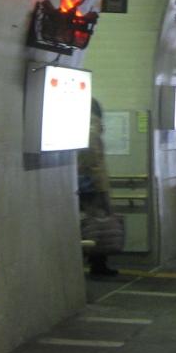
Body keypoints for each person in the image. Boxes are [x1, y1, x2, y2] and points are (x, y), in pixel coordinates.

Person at [78, 99, 117, 277]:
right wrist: (100, 188)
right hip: (94, 187)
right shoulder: (91, 128)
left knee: (92, 224)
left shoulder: (85, 126)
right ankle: (98, 263)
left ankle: (96, 262)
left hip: (88, 184)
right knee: (97, 224)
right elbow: (92, 160)